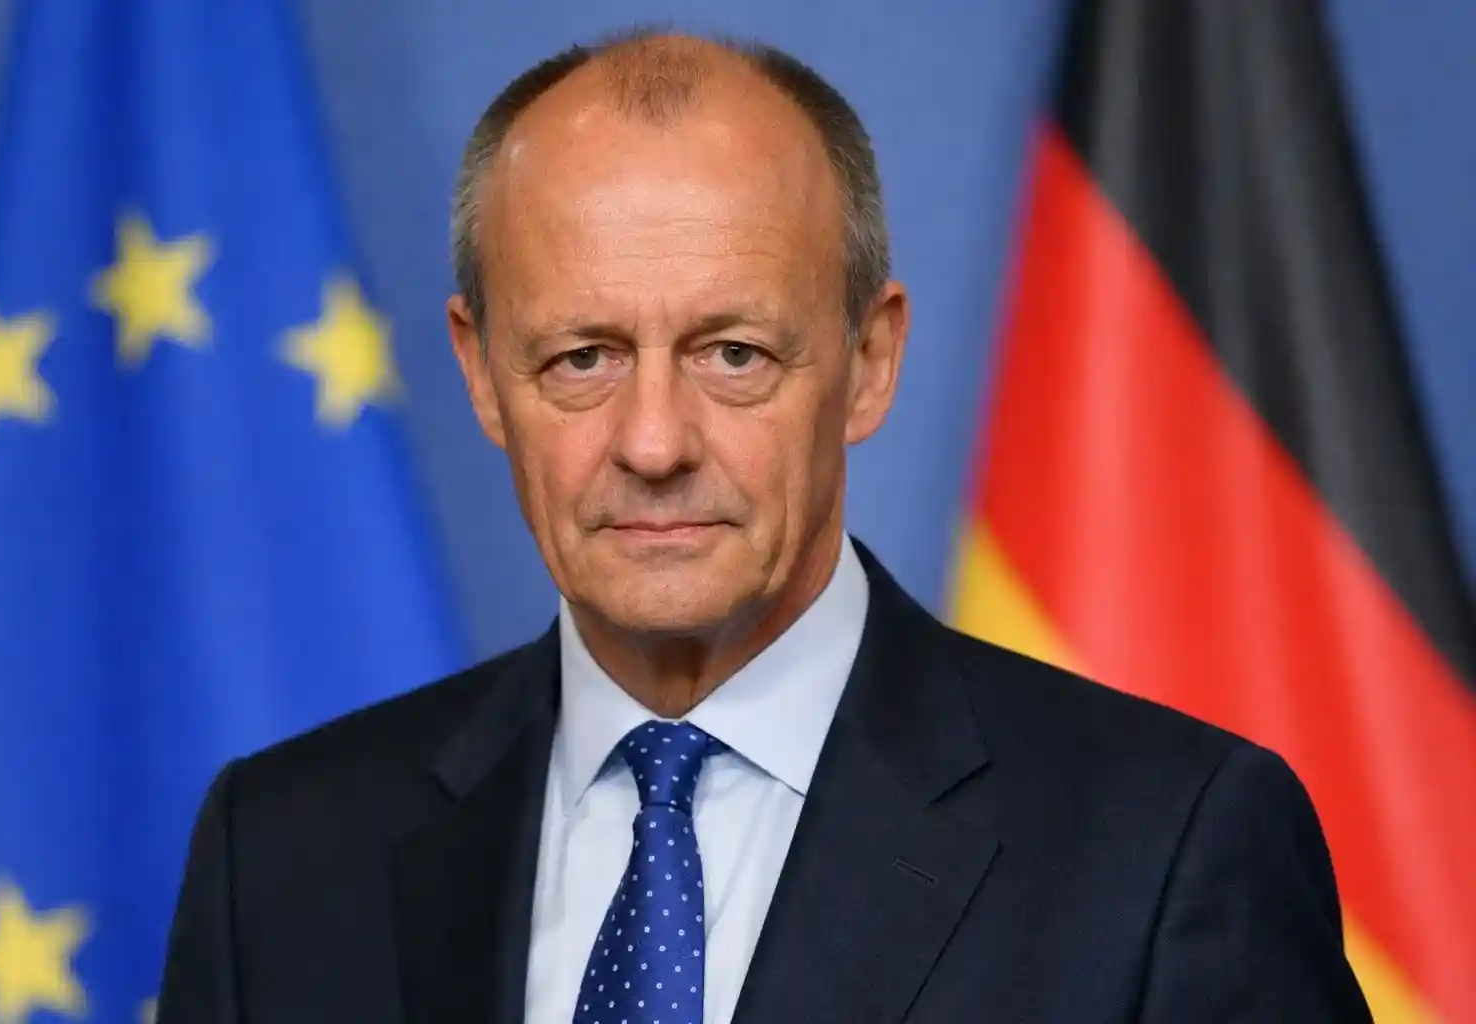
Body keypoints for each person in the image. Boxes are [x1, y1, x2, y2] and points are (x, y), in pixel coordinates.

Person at [156, 30, 1372, 1024]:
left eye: (732, 354)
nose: (653, 441)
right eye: (582, 358)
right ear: (481, 374)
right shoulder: (279, 854)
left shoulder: (1165, 851)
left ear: (869, 360)